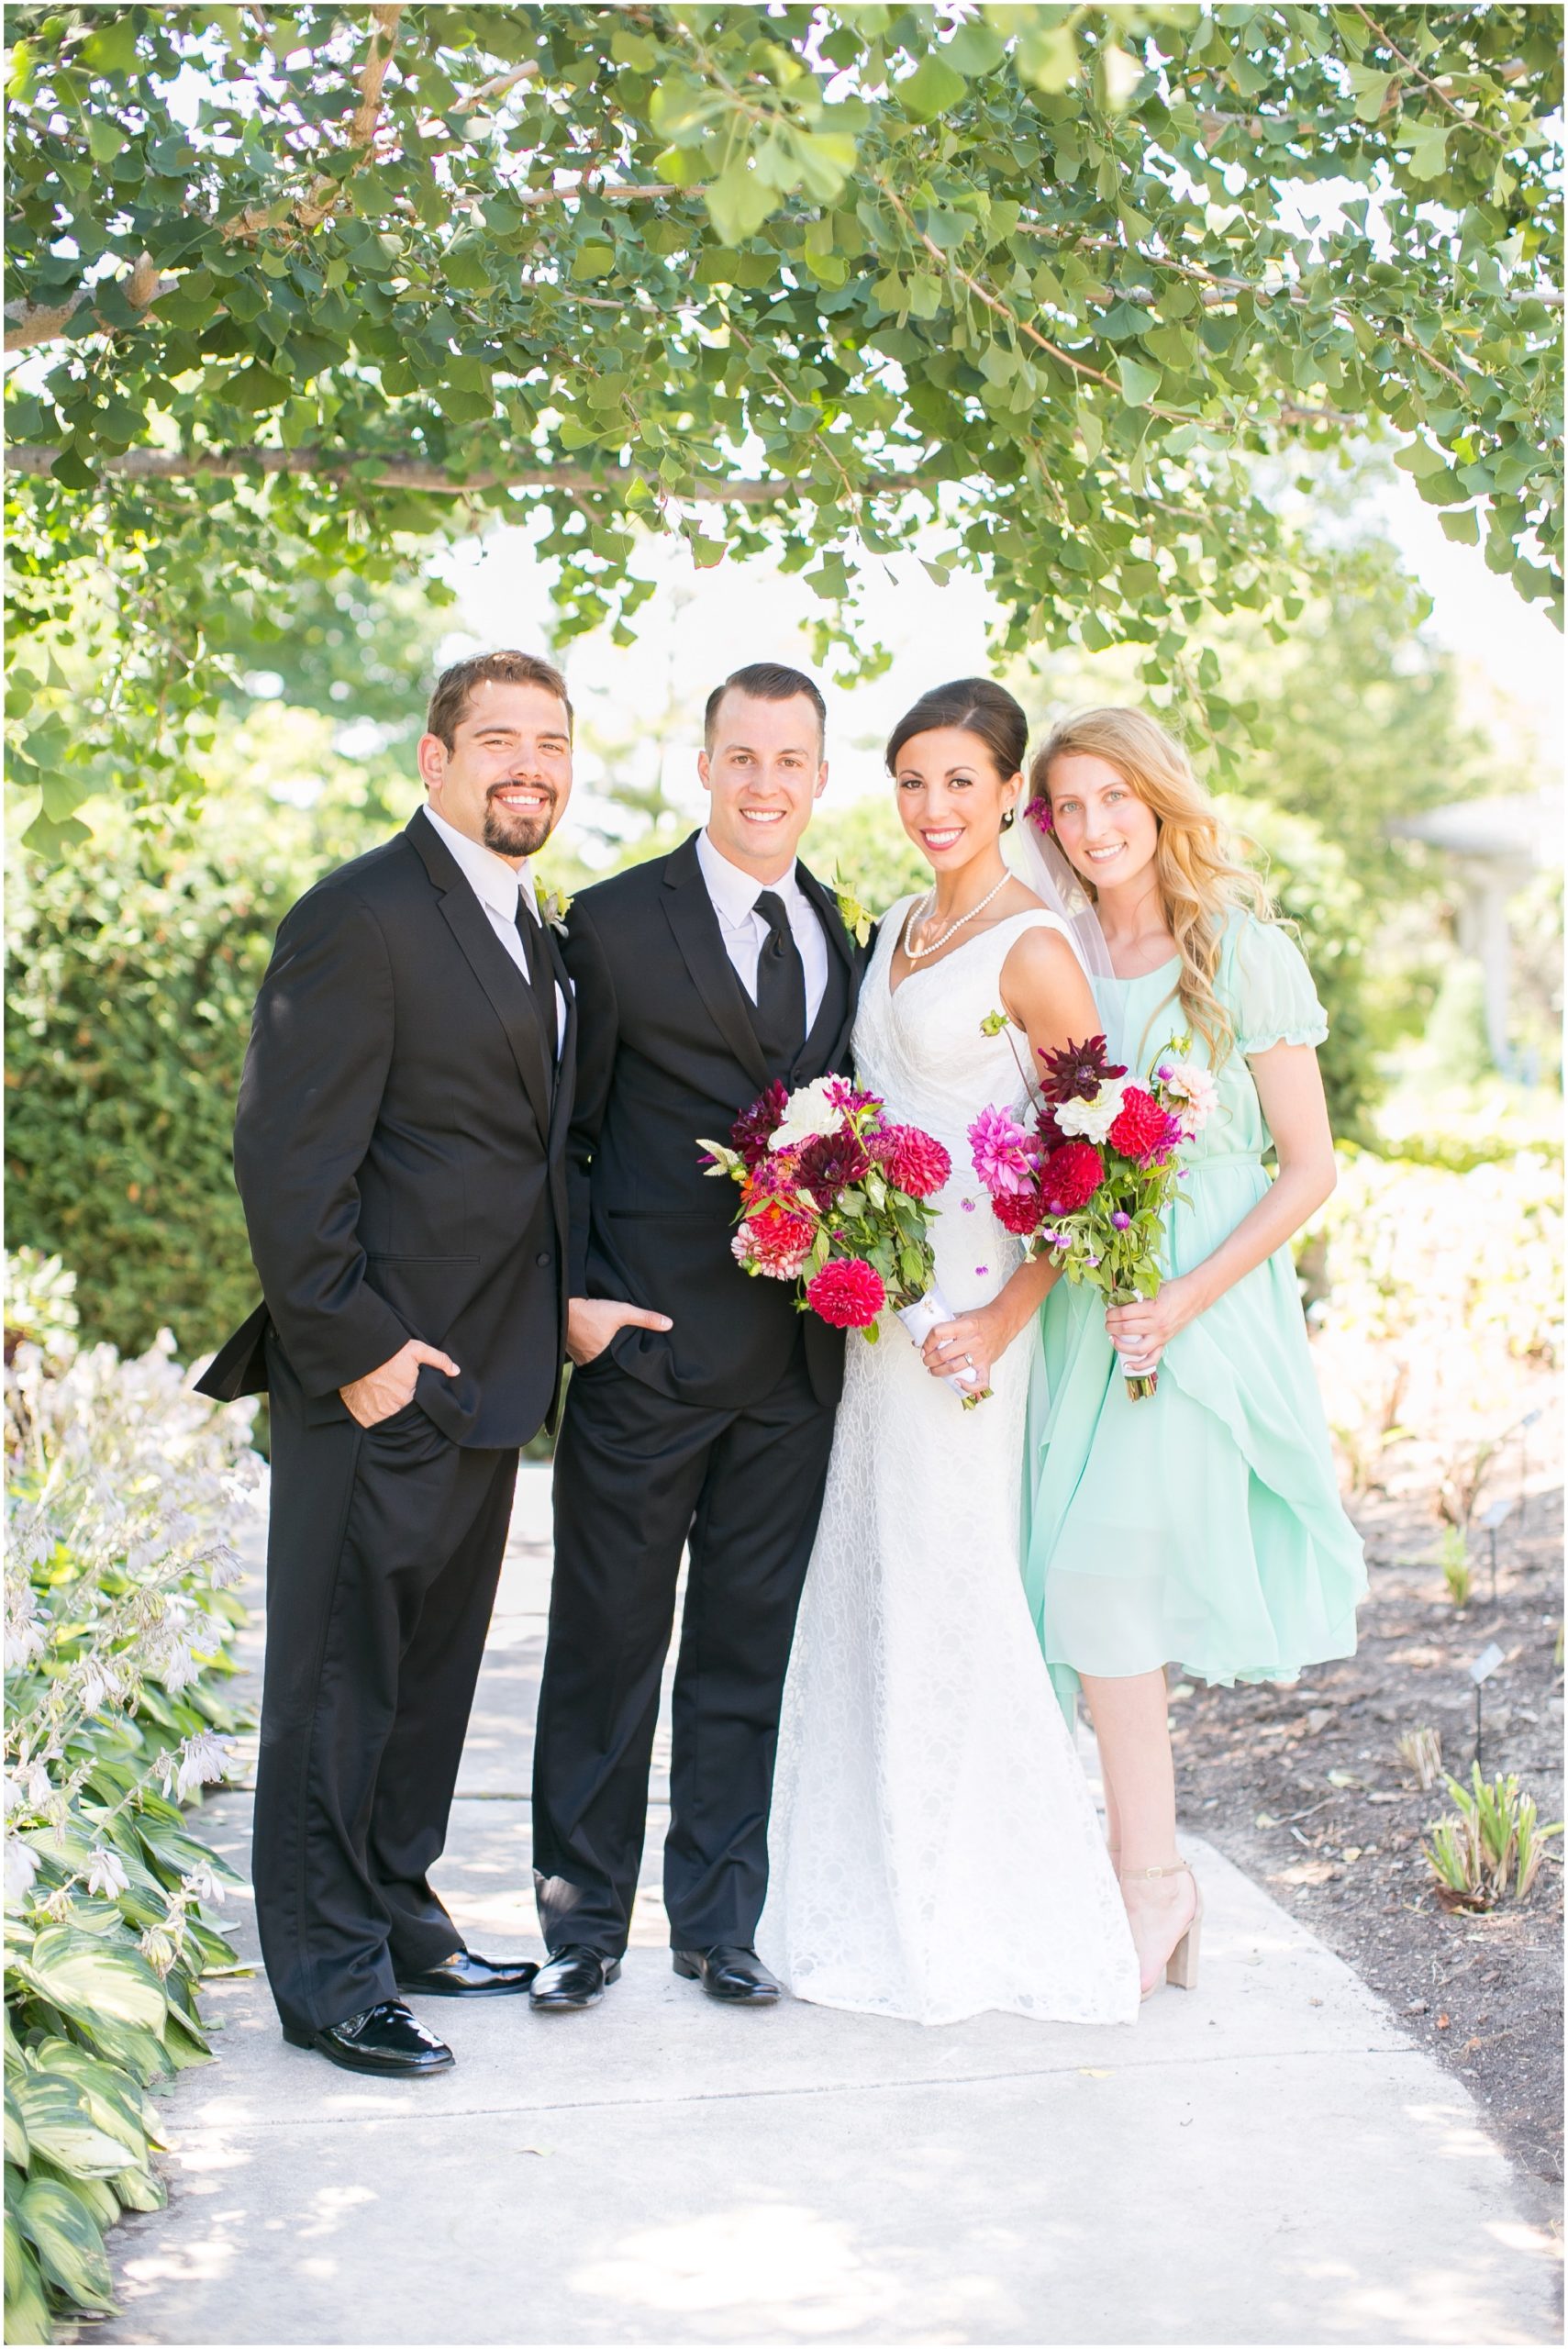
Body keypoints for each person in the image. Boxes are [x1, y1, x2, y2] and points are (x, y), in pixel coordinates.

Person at [197, 651, 577, 2076]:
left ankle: (400, 1912)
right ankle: (326, 1973)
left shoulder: (532, 928)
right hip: (377, 1371)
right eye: (495, 740)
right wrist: (354, 1347)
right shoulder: (356, 917)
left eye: (547, 741)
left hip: (484, 1374)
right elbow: (286, 1160)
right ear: (434, 761)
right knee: (338, 1680)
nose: (524, 764)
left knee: (426, 1678)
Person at [756, 680, 1140, 2028]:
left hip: (973, 1303)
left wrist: (1005, 1315)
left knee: (949, 1573)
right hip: (887, 1298)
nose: (931, 807)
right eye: (911, 781)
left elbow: (1090, 1153)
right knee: (878, 1569)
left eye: (959, 782)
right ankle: (876, 1872)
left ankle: (975, 1902)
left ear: (1004, 792)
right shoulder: (908, 924)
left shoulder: (1030, 945)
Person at [529, 661, 872, 2011]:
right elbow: (560, 1135)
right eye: (742, 757)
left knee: (745, 1651)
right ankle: (579, 1923)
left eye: (790, 761)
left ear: (818, 777)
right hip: (645, 1351)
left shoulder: (845, 931)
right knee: (605, 1643)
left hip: (792, 1369)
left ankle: (717, 1923)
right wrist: (571, 1306)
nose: (765, 784)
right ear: (704, 765)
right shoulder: (607, 925)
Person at [1021, 706, 1367, 1999]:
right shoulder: (1048, 947)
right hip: (1082, 1299)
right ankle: (1134, 1871)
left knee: (1108, 1574)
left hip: (1198, 1307)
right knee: (1066, 1574)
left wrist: (1181, 1297)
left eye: (1115, 798)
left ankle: (1148, 1879)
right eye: (1069, 806)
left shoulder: (1238, 950)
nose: (1096, 827)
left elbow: (1309, 1166)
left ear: (1161, 802)